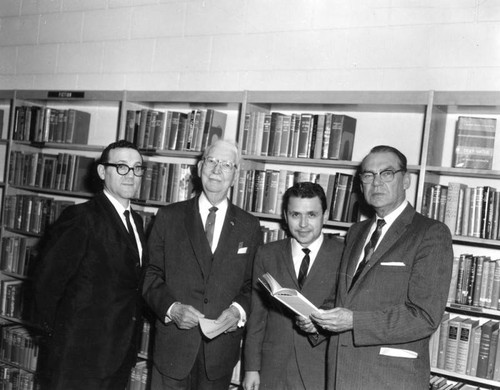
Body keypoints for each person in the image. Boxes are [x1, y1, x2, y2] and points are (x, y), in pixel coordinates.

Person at [299, 145, 454, 390]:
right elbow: (345, 297)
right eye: (368, 175)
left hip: (389, 379)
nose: (376, 182)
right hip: (340, 373)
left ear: (406, 180)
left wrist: (353, 322)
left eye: (387, 173)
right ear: (361, 184)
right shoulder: (356, 232)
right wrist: (319, 319)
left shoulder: (430, 233)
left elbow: (424, 316)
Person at [143, 139, 262, 390]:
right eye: (211, 161)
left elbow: (253, 284)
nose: (217, 170)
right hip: (173, 351)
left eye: (226, 164)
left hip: (219, 356)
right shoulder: (168, 217)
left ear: (236, 174)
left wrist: (238, 312)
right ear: (199, 167)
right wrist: (172, 308)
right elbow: (150, 275)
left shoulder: (249, 226)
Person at [34, 140, 148, 390]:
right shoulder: (81, 218)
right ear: (101, 172)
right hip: (79, 359)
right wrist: (63, 341)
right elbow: (45, 285)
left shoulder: (137, 222)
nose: (131, 175)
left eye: (137, 168)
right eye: (121, 167)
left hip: (119, 354)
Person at [243, 182, 343, 390]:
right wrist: (251, 368)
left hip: (321, 369)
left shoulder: (343, 255)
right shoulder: (267, 253)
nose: (303, 224)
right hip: (274, 368)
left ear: (325, 216)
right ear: (285, 217)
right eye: (296, 215)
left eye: (312, 215)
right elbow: (257, 316)